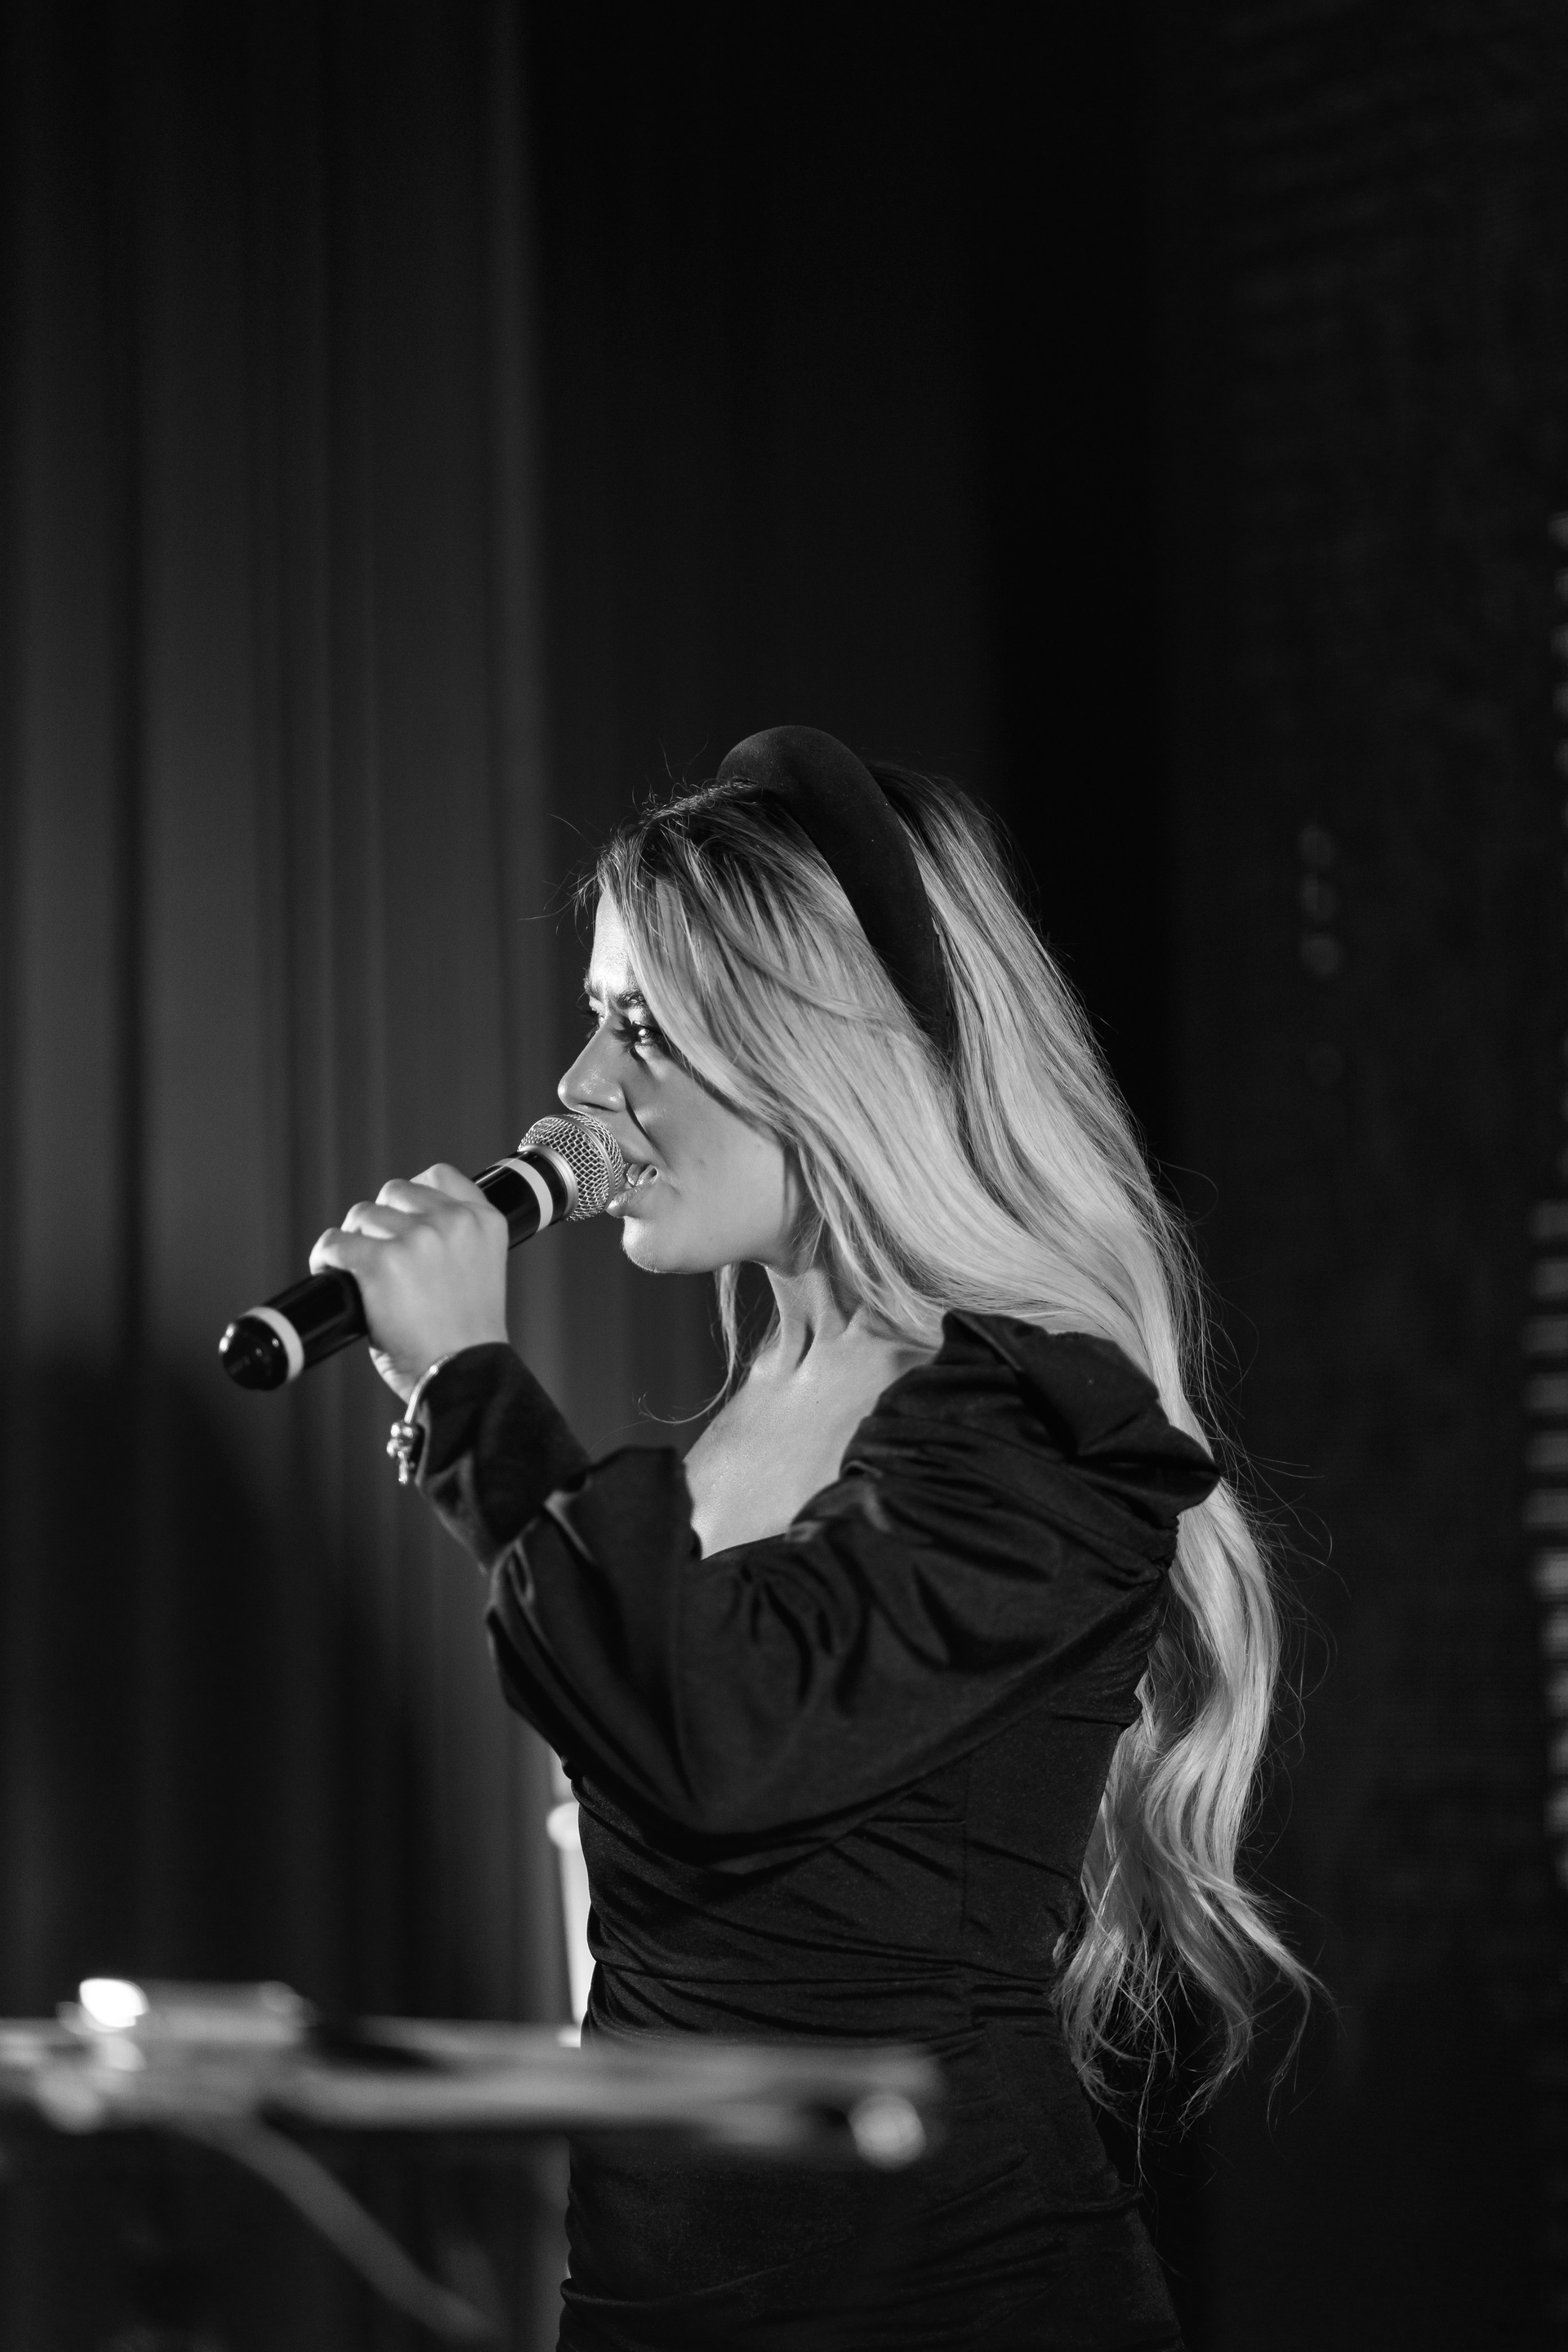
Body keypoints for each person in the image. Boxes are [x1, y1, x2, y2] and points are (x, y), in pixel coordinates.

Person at [311, 727, 1312, 2350]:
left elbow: (729, 1736)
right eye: (595, 1017)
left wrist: (472, 1392)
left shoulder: (1040, 1426)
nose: (582, 1089)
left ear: (823, 1059)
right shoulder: (719, 1438)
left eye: (648, 1029)